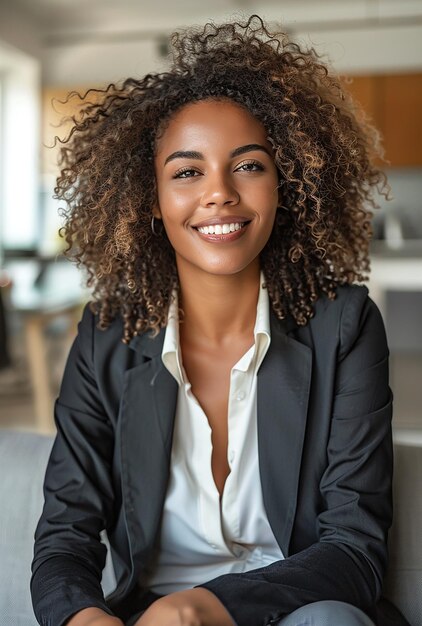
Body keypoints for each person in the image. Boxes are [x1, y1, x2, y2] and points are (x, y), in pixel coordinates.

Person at [31, 15, 407, 626]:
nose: (219, 194)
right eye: (186, 172)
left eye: (249, 165)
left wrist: (203, 608)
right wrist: (85, 620)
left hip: (294, 609)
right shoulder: (107, 335)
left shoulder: (344, 326)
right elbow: (63, 538)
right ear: (151, 200)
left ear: (286, 182)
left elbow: (354, 551)